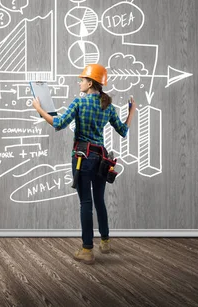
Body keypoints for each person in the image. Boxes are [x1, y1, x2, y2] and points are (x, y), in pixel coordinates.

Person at [32, 64, 136, 264]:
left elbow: (59, 123)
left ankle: (87, 249)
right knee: (99, 201)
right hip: (102, 160)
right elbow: (123, 130)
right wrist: (131, 112)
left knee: (85, 203)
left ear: (90, 83)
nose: (79, 83)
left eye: (82, 80)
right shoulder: (108, 106)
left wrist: (39, 109)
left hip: (82, 158)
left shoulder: (79, 103)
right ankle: (105, 241)